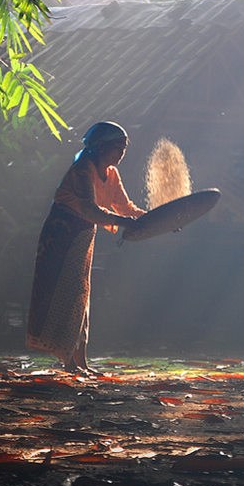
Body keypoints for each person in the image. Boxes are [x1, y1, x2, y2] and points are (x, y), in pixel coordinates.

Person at [26, 121, 145, 375]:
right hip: (63, 234)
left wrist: (154, 220)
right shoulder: (83, 169)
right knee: (67, 294)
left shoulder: (111, 173)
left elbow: (125, 207)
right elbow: (90, 209)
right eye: (117, 147)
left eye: (123, 148)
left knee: (82, 295)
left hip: (83, 235)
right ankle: (69, 362)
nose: (121, 153)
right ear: (101, 147)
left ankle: (81, 362)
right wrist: (123, 221)